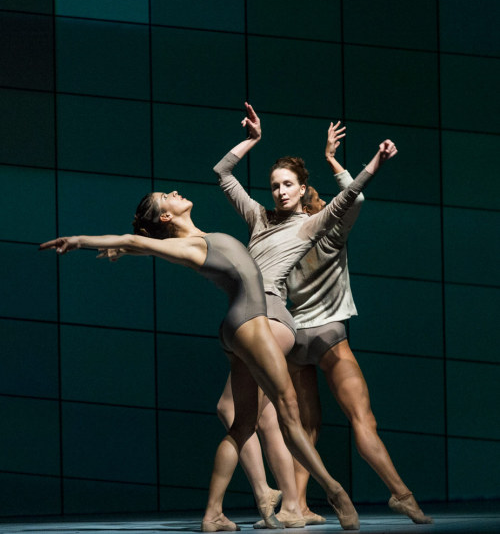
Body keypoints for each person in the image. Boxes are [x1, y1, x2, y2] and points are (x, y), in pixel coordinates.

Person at [39, 172, 366, 531]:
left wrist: (125, 248)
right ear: (166, 216)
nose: (175, 191)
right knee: (288, 413)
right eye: (167, 196)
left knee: (242, 424)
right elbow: (137, 238)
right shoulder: (190, 245)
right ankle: (335, 493)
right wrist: (79, 240)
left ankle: (213, 514)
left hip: (237, 329)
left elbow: (140, 242)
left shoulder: (195, 239)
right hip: (252, 324)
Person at [214, 103, 397, 528]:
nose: (279, 191)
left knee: (264, 413)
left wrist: (372, 162)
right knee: (259, 414)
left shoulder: (310, 226)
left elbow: (350, 197)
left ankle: (287, 499)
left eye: (288, 184)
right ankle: (289, 502)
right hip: (247, 315)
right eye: (275, 184)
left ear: (301, 188)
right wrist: (252, 141)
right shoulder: (258, 218)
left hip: (273, 318)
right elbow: (223, 174)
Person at [283, 122, 432, 525]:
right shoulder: (331, 234)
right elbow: (356, 198)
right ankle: (401, 495)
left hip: (295, 338)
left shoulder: (282, 236)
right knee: (363, 420)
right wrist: (333, 160)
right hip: (330, 334)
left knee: (307, 428)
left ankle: (295, 505)